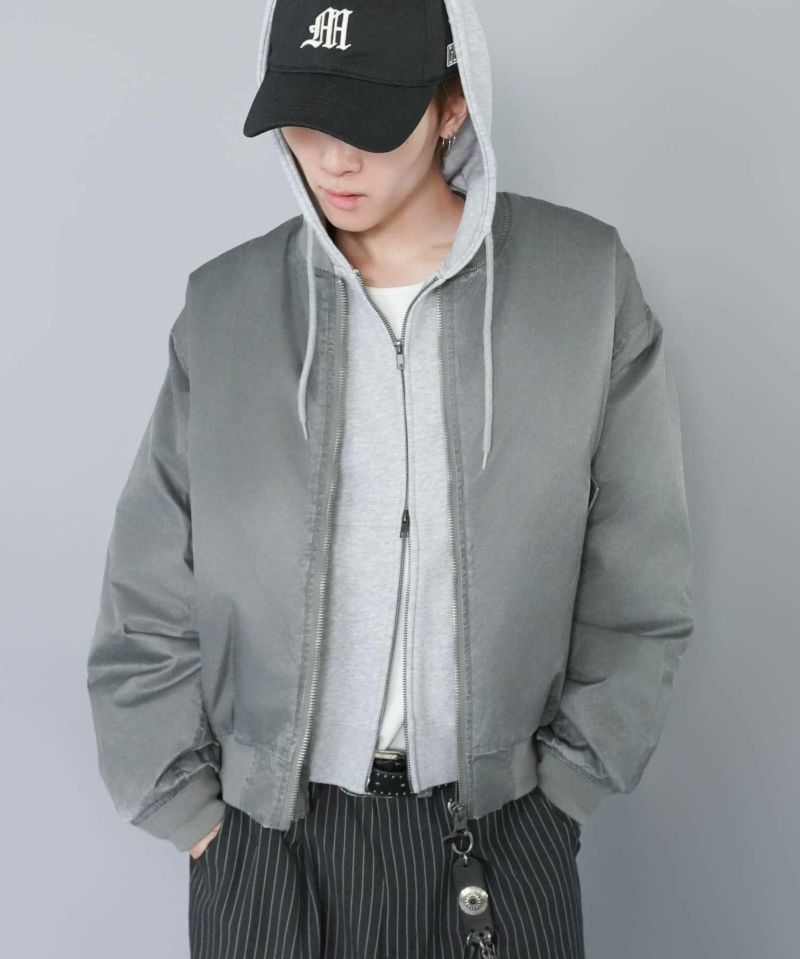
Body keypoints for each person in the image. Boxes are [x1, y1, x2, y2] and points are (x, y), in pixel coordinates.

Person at [86, 1, 696, 956]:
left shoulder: (583, 287)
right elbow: (145, 594)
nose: (333, 160)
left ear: (452, 105)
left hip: (503, 829)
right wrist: (199, 822)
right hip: (265, 841)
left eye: (368, 122)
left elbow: (640, 582)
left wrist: (565, 794)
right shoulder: (226, 308)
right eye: (306, 120)